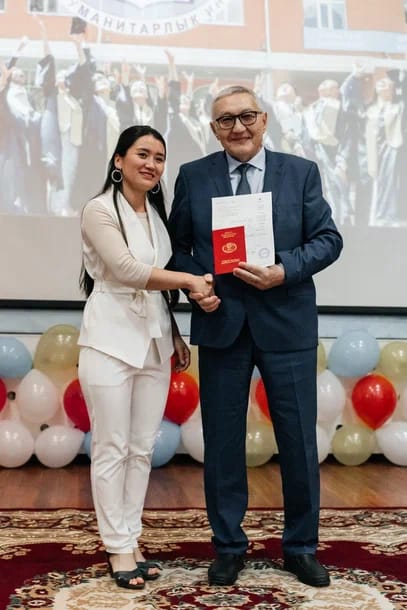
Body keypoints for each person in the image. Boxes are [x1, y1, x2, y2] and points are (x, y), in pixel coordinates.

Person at [168, 85, 343, 588]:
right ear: (213, 129)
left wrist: (284, 270)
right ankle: (228, 546)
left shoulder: (301, 172)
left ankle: (301, 547)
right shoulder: (194, 176)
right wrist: (196, 284)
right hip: (221, 322)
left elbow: (329, 240)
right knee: (222, 443)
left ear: (264, 120)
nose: (238, 127)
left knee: (298, 441)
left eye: (247, 116)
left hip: (286, 322)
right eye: (226, 120)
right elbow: (177, 247)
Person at [77, 125, 213, 590]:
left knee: (141, 449)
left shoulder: (156, 215)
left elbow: (154, 284)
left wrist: (174, 333)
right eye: (142, 154)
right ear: (119, 160)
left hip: (154, 343)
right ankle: (116, 546)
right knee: (111, 447)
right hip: (109, 341)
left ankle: (131, 538)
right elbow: (127, 270)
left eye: (159, 157)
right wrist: (191, 281)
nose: (152, 164)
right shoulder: (98, 209)